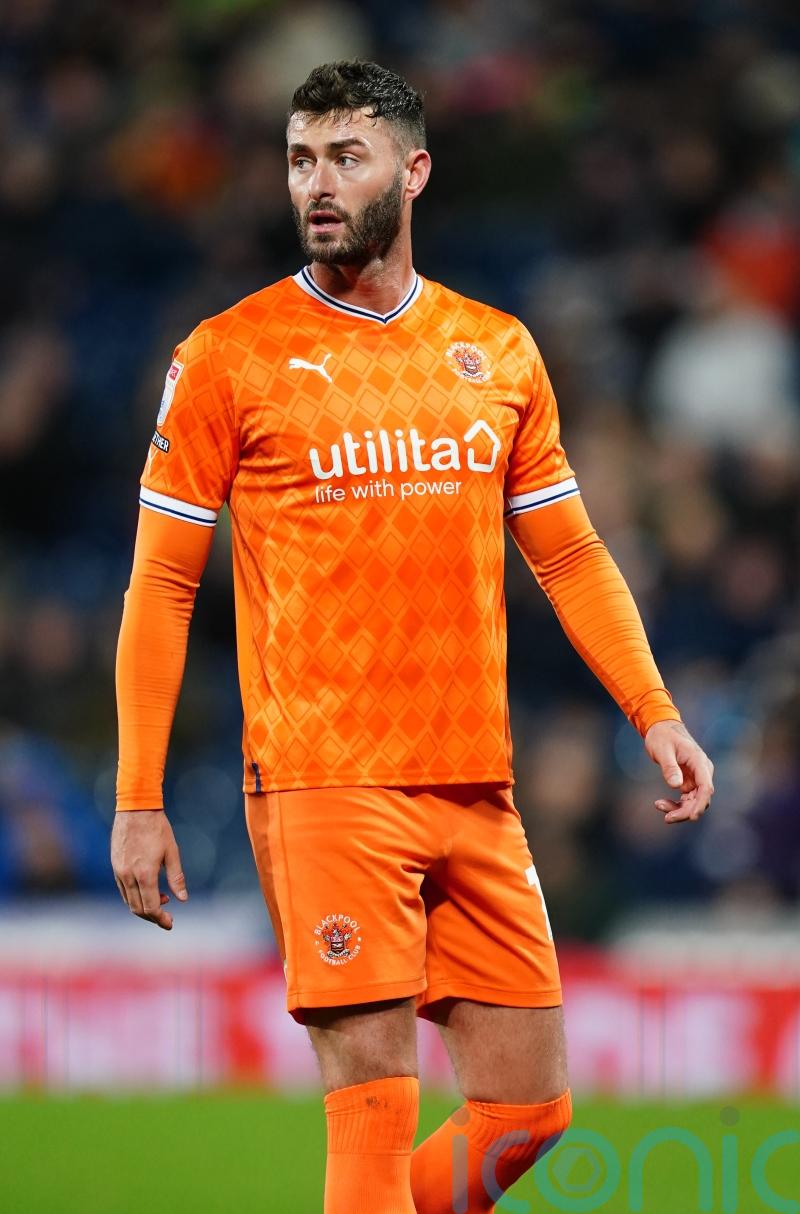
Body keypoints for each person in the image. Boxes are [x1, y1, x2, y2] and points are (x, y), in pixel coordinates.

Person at [112, 60, 714, 1214]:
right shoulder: (226, 359)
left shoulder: (495, 349)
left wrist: (654, 710)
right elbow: (160, 585)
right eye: (299, 159)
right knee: (375, 1118)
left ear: (413, 169)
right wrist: (139, 791)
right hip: (325, 777)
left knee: (526, 1112)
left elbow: (571, 554)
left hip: (472, 778)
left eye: (345, 156)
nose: (317, 183)